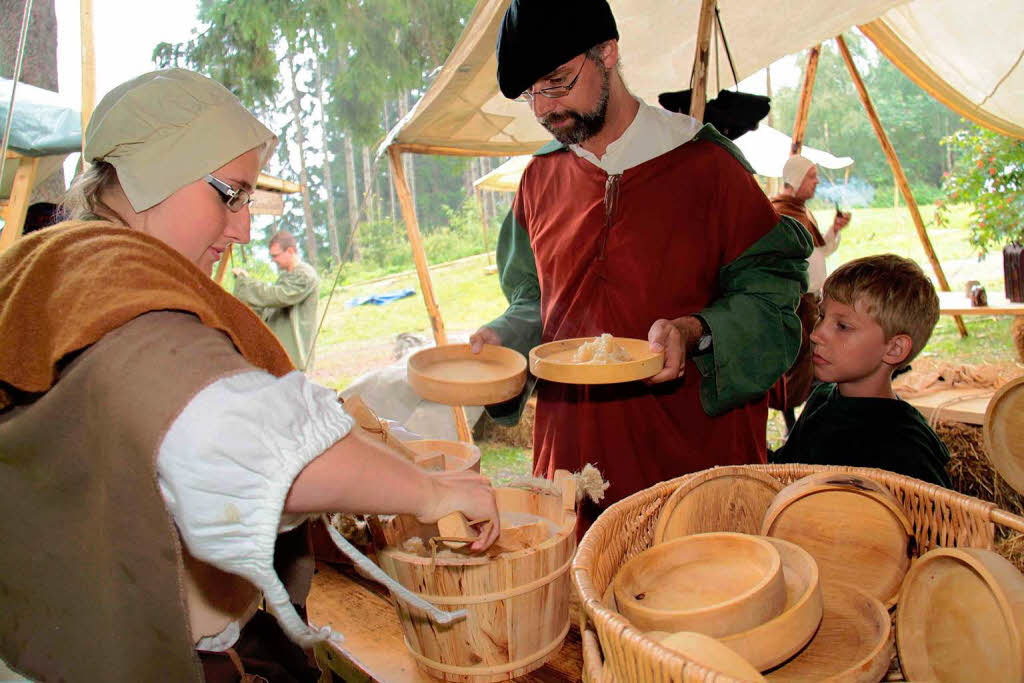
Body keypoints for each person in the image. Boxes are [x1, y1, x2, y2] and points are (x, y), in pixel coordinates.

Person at [0, 69, 499, 683]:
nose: (241, 228)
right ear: (155, 169)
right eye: (228, 194)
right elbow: (258, 457)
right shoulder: (115, 287)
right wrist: (435, 493)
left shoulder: (51, 263)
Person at [469, 0, 813, 527]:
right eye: (529, 93)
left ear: (607, 53)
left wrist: (696, 330)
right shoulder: (540, 180)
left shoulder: (706, 166)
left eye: (556, 81)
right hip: (574, 456)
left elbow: (771, 300)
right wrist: (505, 337)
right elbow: (535, 299)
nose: (543, 108)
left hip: (688, 452)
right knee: (581, 600)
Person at [772, 254, 951, 487]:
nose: (816, 334)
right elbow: (785, 472)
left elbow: (940, 519)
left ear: (895, 348)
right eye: (822, 316)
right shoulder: (822, 400)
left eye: (843, 326)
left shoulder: (907, 445)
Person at [768, 155, 853, 431]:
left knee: (816, 366)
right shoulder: (778, 213)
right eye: (812, 176)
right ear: (795, 179)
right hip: (795, 305)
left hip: (813, 305)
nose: (817, 182)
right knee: (796, 371)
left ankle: (808, 423)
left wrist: (834, 230)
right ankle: (795, 427)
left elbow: (818, 252)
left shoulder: (802, 211)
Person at [233, 230, 321, 370]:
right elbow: (268, 307)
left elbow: (276, 296)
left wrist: (246, 283)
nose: (273, 260)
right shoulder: (287, 277)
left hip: (294, 358)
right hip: (280, 356)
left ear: (290, 251)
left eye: (275, 256)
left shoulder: (304, 275)